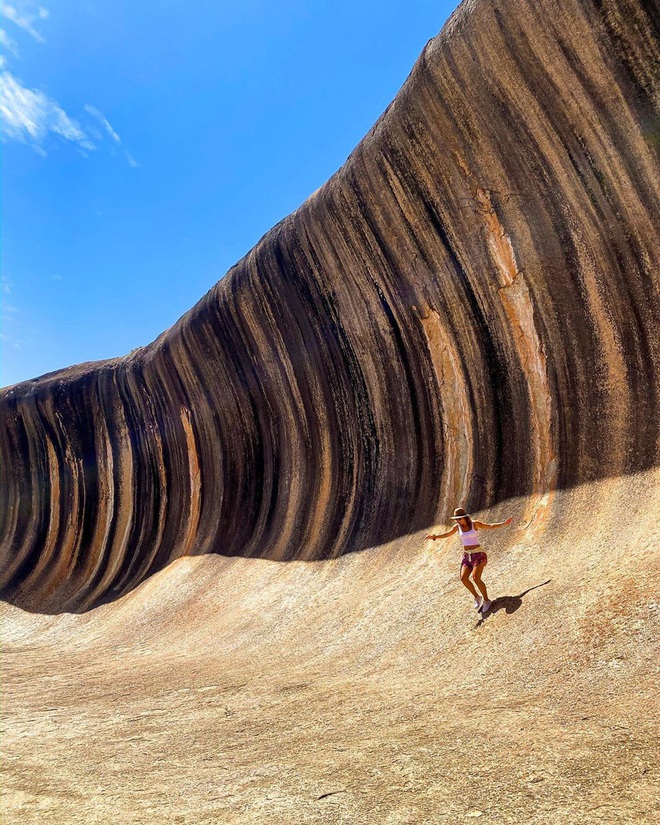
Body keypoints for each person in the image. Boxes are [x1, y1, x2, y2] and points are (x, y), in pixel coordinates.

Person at [426, 507, 513, 614]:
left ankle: (486, 600)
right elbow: (447, 534)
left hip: (479, 554)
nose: (457, 521)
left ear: (464, 517)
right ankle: (477, 597)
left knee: (476, 577)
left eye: (459, 519)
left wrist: (503, 523)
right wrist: (434, 537)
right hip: (467, 556)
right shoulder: (457, 527)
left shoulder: (474, 524)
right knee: (463, 578)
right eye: (456, 519)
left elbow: (489, 526)